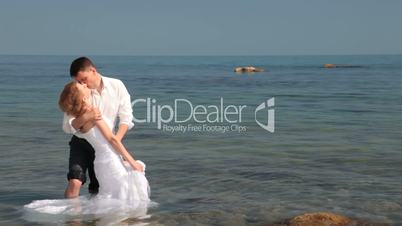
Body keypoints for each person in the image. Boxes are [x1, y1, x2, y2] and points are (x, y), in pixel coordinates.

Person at [59, 81, 149, 202]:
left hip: (101, 162)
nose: (85, 84)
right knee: (122, 196)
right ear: (84, 98)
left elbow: (74, 126)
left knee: (108, 196)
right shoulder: (94, 114)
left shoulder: (80, 118)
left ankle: (75, 218)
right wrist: (133, 163)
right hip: (109, 160)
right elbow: (112, 140)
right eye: (81, 86)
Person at [63, 57, 135, 198]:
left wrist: (115, 145)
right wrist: (86, 117)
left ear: (93, 70)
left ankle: (94, 219)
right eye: (78, 81)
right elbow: (68, 126)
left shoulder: (117, 85)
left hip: (107, 143)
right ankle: (71, 219)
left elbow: (126, 118)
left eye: (84, 79)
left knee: (98, 188)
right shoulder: (78, 92)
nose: (82, 83)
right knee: (75, 181)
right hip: (81, 143)